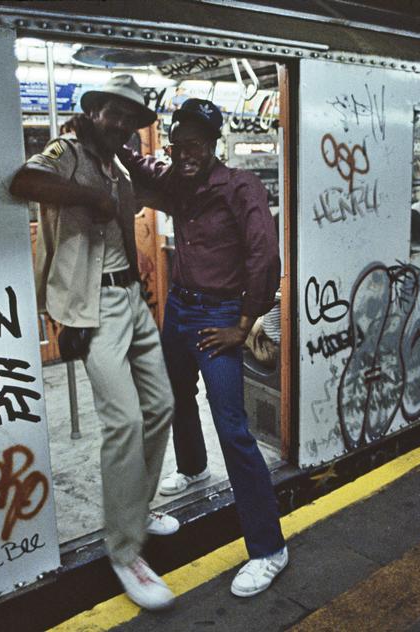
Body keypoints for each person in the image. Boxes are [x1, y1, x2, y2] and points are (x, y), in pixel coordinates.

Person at [9, 75, 177, 611]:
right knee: (124, 421)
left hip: (131, 297)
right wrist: (90, 197)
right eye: (114, 113)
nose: (122, 124)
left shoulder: (119, 165)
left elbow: (133, 216)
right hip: (94, 303)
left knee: (162, 406)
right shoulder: (67, 152)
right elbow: (23, 181)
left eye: (130, 119)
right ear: (95, 112)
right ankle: (126, 550)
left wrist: (142, 290)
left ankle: (136, 510)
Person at [119, 98, 288, 598]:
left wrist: (244, 324)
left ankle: (269, 548)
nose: (186, 153)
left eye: (195, 144)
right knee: (175, 394)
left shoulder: (240, 186)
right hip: (180, 308)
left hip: (219, 317)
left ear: (213, 144)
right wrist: (107, 135)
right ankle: (194, 468)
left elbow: (265, 256)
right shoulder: (178, 180)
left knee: (232, 427)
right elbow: (141, 165)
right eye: (178, 145)